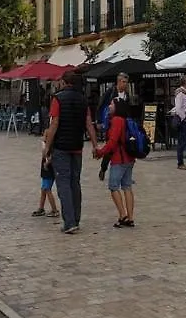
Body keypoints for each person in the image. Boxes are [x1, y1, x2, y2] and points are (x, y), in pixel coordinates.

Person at [43, 71, 98, 235]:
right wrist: (95, 145)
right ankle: (76, 218)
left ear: (64, 82)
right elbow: (89, 124)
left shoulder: (57, 98)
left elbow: (54, 124)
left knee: (64, 184)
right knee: (75, 183)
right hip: (77, 146)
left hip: (61, 147)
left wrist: (47, 147)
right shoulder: (83, 100)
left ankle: (69, 222)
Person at [95, 97, 136, 228]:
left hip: (119, 159)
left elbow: (112, 143)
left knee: (113, 186)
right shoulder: (125, 119)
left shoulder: (117, 121)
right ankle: (130, 217)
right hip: (129, 158)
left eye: (111, 104)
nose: (109, 106)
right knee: (127, 187)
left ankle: (122, 215)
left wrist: (100, 152)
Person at [98, 73, 130, 182]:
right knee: (110, 147)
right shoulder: (110, 92)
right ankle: (103, 168)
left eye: (126, 82)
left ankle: (124, 173)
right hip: (112, 123)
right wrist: (99, 121)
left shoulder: (126, 95)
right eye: (124, 82)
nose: (125, 84)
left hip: (123, 123)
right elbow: (101, 105)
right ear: (119, 81)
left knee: (124, 147)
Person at [32, 128, 59, 218]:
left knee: (47, 188)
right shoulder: (46, 146)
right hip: (45, 168)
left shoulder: (51, 147)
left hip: (48, 168)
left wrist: (47, 163)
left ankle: (54, 210)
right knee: (43, 189)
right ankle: (41, 208)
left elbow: (51, 157)